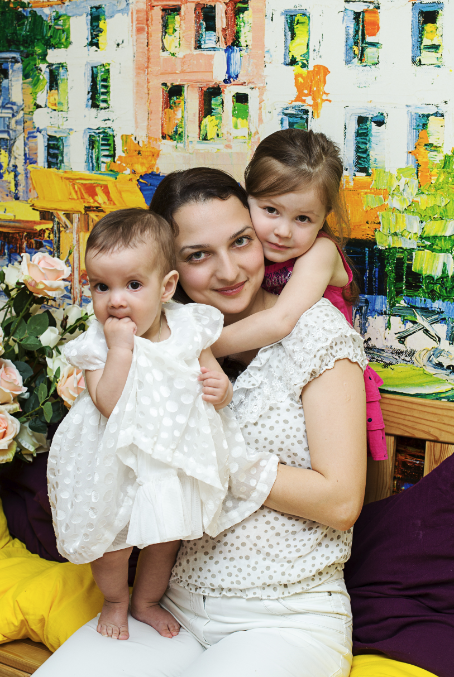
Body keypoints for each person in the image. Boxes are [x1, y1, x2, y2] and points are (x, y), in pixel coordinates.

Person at [37, 168, 367, 677]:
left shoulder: (316, 331)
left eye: (241, 241)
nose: (229, 270)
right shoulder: (147, 339)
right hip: (169, 607)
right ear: (166, 273)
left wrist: (207, 453)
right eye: (197, 255)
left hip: (286, 616)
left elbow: (341, 502)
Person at [47, 209, 278, 642]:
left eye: (133, 285)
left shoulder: (187, 326)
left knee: (164, 539)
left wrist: (221, 389)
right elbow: (109, 403)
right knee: (113, 545)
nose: (116, 300)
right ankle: (115, 601)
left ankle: (146, 601)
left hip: (171, 455)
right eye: (101, 286)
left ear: (166, 287)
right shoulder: (99, 342)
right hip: (113, 461)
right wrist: (121, 350)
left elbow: (211, 374)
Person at [212, 129, 387, 461]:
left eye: (303, 218)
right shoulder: (249, 249)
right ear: (247, 197)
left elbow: (281, 320)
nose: (282, 231)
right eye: (270, 210)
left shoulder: (321, 252)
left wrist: (197, 345)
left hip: (326, 385)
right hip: (272, 378)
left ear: (324, 218)